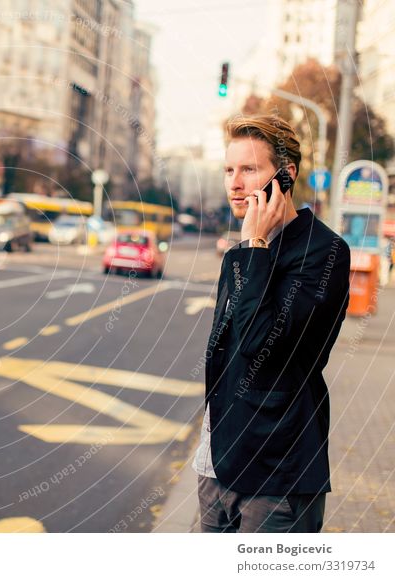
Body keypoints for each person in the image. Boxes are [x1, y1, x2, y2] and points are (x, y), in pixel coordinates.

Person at [193, 114, 351, 533]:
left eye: (249, 169)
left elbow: (262, 345)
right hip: (217, 464)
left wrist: (258, 245)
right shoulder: (238, 254)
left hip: (277, 472)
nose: (235, 183)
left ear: (286, 175)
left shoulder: (325, 252)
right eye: (229, 169)